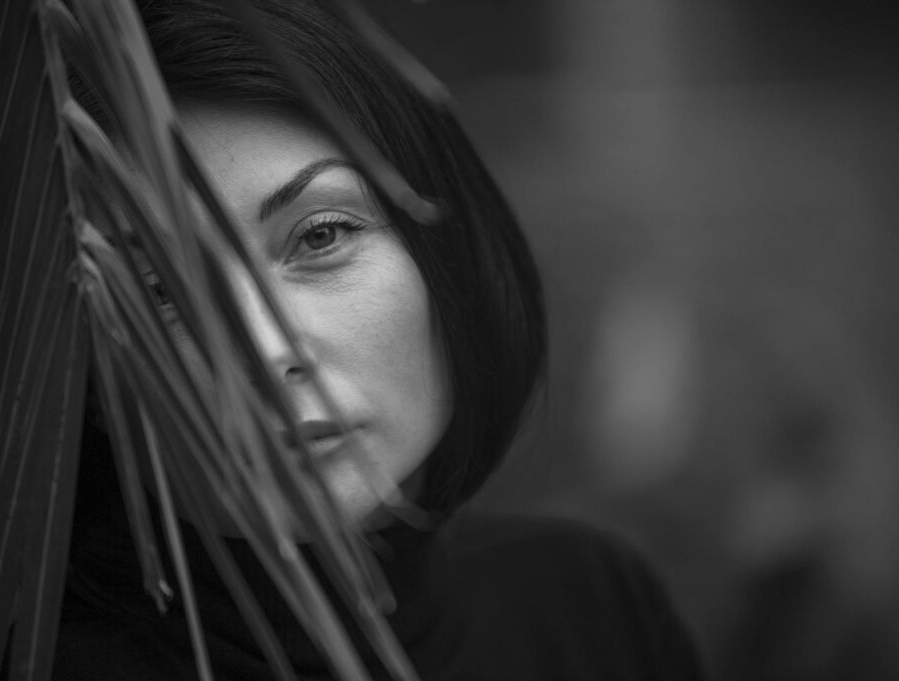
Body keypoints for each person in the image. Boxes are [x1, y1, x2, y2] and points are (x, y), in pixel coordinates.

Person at [54, 1, 706, 679]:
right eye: (160, 290)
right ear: (88, 373)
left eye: (321, 236)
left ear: (447, 255)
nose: (264, 352)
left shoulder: (589, 608)